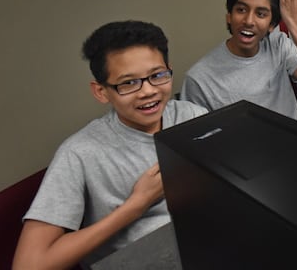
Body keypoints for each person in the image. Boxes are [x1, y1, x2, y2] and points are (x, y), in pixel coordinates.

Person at [13, 21, 208, 269]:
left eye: (157, 75)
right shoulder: (79, 153)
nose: (148, 91)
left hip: (204, 248)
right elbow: (29, 264)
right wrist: (135, 206)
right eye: (128, 83)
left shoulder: (193, 117)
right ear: (101, 92)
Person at [181, 0, 297, 120]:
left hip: (292, 142)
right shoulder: (198, 78)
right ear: (229, 17)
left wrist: (294, 21)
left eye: (260, 14)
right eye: (241, 10)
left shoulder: (279, 45)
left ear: (271, 26)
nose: (248, 21)